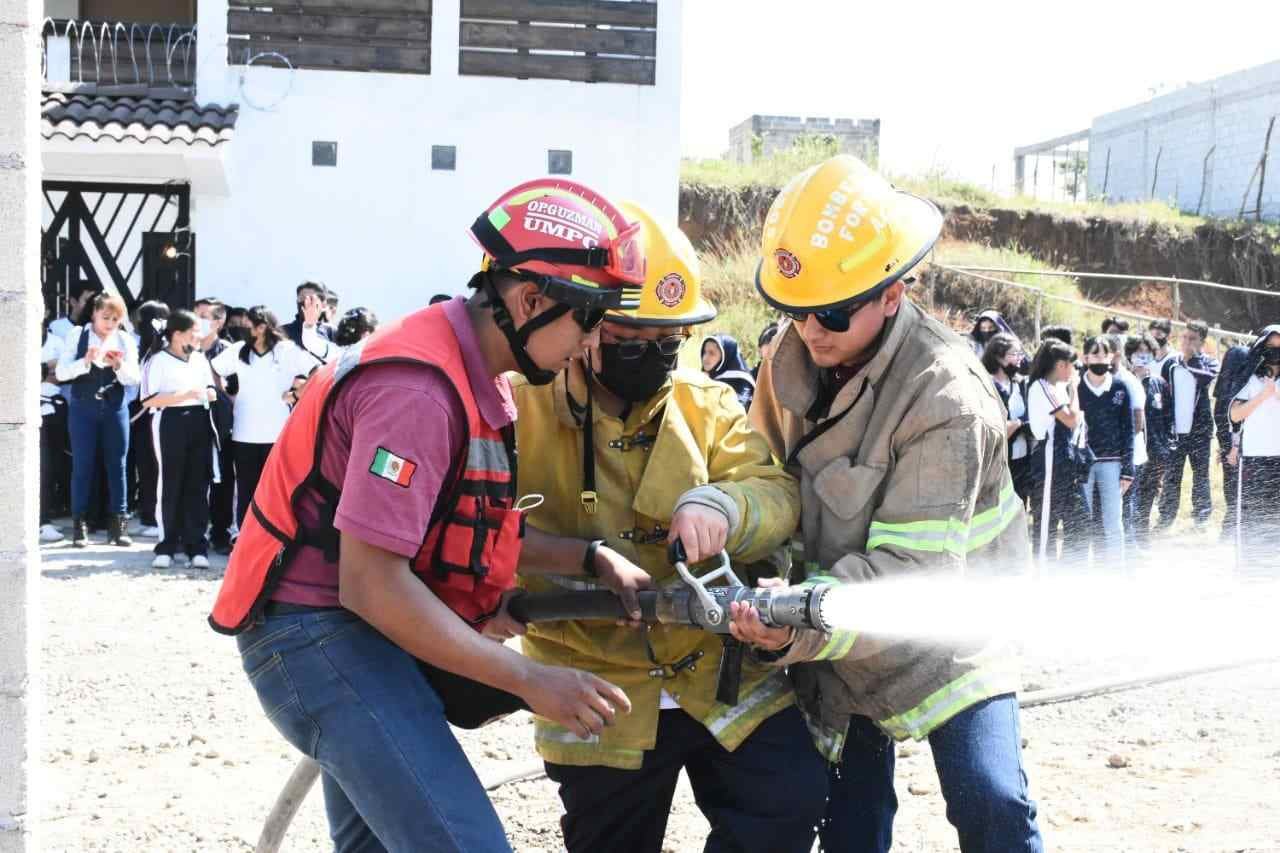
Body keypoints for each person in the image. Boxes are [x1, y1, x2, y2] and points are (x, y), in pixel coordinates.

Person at [210, 177, 652, 852]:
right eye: (590, 320)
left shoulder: (468, 371)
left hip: (355, 635)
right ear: (531, 300)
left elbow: (467, 527)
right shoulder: (418, 390)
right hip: (318, 636)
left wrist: (590, 559)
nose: (592, 346)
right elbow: (372, 581)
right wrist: (532, 680)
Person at [738, 155, 1042, 853]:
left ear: (892, 294)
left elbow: (911, 575)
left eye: (834, 313)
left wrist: (794, 621)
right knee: (849, 825)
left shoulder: (948, 399)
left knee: (991, 801)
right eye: (796, 309)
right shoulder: (788, 361)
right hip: (831, 637)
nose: (811, 331)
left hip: (950, 634)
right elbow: (760, 476)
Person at [510, 201, 826, 853]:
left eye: (669, 340)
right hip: (594, 682)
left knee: (790, 798)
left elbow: (776, 492)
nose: (654, 357)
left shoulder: (702, 403)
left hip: (719, 671)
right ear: (588, 323)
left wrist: (723, 507)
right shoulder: (520, 404)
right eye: (633, 341)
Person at [210, 306, 319, 528]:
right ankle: (243, 539)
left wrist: (297, 394)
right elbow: (214, 368)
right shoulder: (239, 350)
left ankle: (273, 544)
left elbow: (317, 371)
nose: (242, 331)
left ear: (261, 328)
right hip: (243, 433)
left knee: (275, 492)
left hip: (277, 434)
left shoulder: (287, 350)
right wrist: (226, 396)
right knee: (246, 491)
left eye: (248, 326)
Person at [55, 292, 140, 547]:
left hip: (115, 408)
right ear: (94, 313)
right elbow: (60, 372)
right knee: (82, 466)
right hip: (83, 408)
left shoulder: (124, 339)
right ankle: (80, 524)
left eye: (115, 319)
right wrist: (85, 362)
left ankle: (119, 525)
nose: (110, 324)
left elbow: (134, 378)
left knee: (118, 466)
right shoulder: (78, 334)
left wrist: (119, 366)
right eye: (106, 317)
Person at [140, 311, 218, 569]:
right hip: (169, 422)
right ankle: (167, 545)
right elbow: (149, 399)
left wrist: (208, 392)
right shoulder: (157, 360)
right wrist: (185, 394)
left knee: (198, 483)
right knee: (171, 482)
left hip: (199, 420)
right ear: (177, 334)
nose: (199, 336)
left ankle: (197, 545)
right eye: (194, 331)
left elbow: (210, 389)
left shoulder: (199, 359)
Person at [1077, 336, 1135, 565]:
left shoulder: (1120, 387)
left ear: (1111, 357)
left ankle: (1115, 569)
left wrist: (1128, 468)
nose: (1100, 359)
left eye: (1104, 355)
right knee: (1083, 519)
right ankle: (1081, 568)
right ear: (1085, 357)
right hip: (1083, 463)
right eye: (1095, 354)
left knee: (1113, 520)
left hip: (1112, 463)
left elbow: (1128, 429)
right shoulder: (1076, 387)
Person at [1158, 321, 1219, 529]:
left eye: (1192, 339)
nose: (1186, 342)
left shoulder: (1208, 363)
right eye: (1184, 337)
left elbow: (1205, 379)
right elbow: (1163, 394)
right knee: (1171, 477)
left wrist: (1190, 360)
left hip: (1199, 432)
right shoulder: (1170, 363)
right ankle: (1165, 518)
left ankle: (1201, 518)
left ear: (1202, 342)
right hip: (1175, 432)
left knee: (1200, 476)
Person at [1026, 340, 1082, 563]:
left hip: (1064, 460)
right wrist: (1075, 389)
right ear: (1060, 365)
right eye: (1071, 365)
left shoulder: (1056, 387)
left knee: (1073, 516)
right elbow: (1071, 420)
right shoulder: (1042, 387)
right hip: (1048, 458)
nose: (1074, 370)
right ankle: (1042, 569)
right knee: (1046, 519)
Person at [1228, 325, 1280, 563]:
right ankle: (1250, 565)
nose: (1275, 353)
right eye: (1270, 348)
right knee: (1253, 516)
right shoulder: (1250, 378)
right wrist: (1262, 396)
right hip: (1255, 459)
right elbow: (1235, 415)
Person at [1125, 334, 1176, 547]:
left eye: (1147, 353)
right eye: (1138, 353)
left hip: (1156, 451)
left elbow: (1168, 417)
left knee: (1148, 495)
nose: (1142, 357)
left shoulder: (1160, 384)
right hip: (1130, 452)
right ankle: (1127, 540)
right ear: (1129, 356)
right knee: (1129, 496)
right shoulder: (1123, 383)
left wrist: (1167, 447)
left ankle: (1142, 538)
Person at [195, 297, 236, 553]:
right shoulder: (183, 347)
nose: (197, 321)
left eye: (204, 316)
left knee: (223, 479)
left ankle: (220, 531)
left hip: (222, 422)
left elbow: (234, 390)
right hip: (191, 420)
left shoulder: (229, 351)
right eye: (195, 314)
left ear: (218, 322)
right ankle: (191, 530)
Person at [131, 300, 171, 539]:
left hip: (159, 412)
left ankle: (154, 517)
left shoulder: (164, 349)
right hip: (139, 414)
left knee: (154, 467)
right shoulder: (138, 347)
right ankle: (145, 515)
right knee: (143, 466)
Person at [983, 333, 1032, 503]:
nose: (1020, 359)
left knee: (1019, 507)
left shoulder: (1020, 384)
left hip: (1023, 461)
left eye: (1021, 354)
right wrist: (1019, 423)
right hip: (998, 462)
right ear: (998, 356)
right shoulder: (987, 385)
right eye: (1014, 354)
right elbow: (996, 428)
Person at [1106, 333, 1146, 545]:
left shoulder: (1128, 382)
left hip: (1127, 458)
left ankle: (1128, 559)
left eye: (1105, 353)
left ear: (1117, 355)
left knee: (1125, 511)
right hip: (1106, 458)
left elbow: (1137, 424)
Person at [1213, 337, 1254, 538]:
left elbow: (1221, 419)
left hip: (1231, 445)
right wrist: (1233, 447)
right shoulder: (1246, 386)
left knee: (1232, 487)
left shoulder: (1224, 390)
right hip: (1242, 447)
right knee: (1242, 488)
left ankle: (1230, 528)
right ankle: (1235, 528)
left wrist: (1225, 447)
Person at [282, 281, 338, 364]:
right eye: (302, 298)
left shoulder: (332, 332)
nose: (306, 302)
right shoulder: (282, 332)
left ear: (323, 304)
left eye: (311, 298)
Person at [700, 333, 756, 411]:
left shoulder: (741, 382)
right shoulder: (706, 375)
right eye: (704, 352)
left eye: (712, 353)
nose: (705, 358)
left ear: (724, 357)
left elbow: (735, 412)